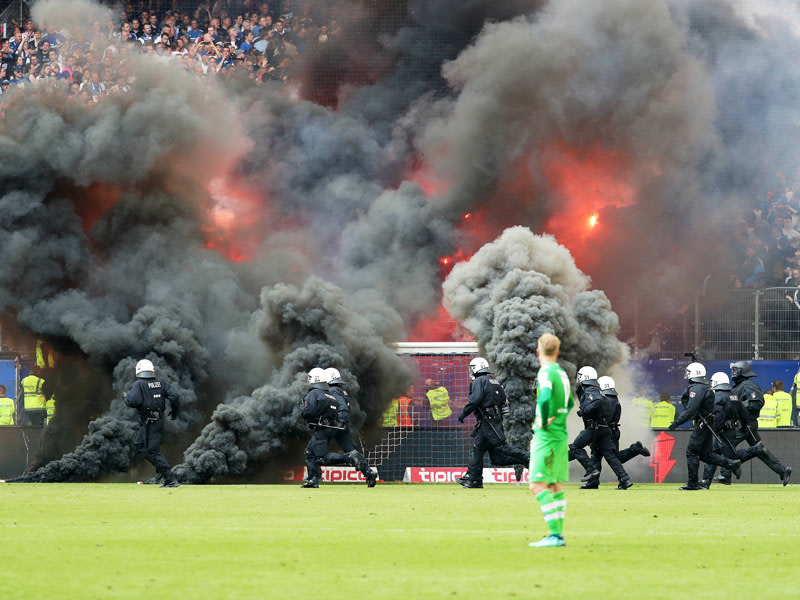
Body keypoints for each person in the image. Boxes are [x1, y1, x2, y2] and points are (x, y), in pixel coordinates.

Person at [528, 333, 573, 548]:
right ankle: (557, 534)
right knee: (554, 484)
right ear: (557, 352)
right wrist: (559, 417)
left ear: (539, 351)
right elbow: (571, 402)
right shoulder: (562, 373)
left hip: (546, 436)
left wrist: (544, 421)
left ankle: (555, 535)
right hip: (560, 434)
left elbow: (544, 397)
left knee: (537, 485)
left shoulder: (545, 372)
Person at [457, 356, 529, 489]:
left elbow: (475, 400)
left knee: (501, 447)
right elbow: (504, 402)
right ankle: (473, 478)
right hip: (493, 420)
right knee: (491, 456)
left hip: (487, 420)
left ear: (475, 368)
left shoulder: (479, 380)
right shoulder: (494, 381)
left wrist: (464, 413)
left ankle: (528, 458)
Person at [668, 362, 742, 490]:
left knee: (691, 452)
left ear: (694, 373)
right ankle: (731, 463)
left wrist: (677, 422)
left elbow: (690, 410)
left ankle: (692, 484)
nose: (687, 375)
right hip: (708, 424)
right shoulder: (705, 387)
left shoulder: (696, 389)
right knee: (705, 455)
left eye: (689, 372)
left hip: (703, 424)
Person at [722, 361, 792, 485]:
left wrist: (739, 406)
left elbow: (758, 401)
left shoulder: (748, 385)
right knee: (759, 450)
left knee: (726, 445)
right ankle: (782, 471)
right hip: (746, 424)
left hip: (745, 424)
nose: (732, 373)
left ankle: (725, 475)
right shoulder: (739, 386)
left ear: (742, 372)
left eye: (735, 370)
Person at [580, 376, 650, 488]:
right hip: (613, 430)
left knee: (606, 456)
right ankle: (635, 449)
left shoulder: (603, 400)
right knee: (607, 456)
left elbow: (602, 418)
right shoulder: (615, 399)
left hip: (604, 432)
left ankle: (623, 478)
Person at [701, 372, 768, 487]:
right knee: (728, 456)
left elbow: (719, 415)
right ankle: (709, 481)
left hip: (722, 431)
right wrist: (743, 424)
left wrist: (715, 429)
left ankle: (755, 450)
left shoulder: (717, 397)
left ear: (717, 382)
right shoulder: (733, 396)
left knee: (718, 455)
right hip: (732, 429)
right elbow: (744, 413)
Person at [124, 359, 181, 488]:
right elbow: (175, 395)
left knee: (153, 451)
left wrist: (125, 397)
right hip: (156, 421)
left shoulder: (139, 384)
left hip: (151, 422)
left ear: (139, 370)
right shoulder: (159, 382)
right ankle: (161, 470)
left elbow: (132, 401)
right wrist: (175, 410)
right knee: (139, 445)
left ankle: (170, 479)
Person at [318, 368, 378, 487]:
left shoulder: (333, 390)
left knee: (316, 452)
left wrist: (339, 422)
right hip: (342, 426)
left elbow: (342, 407)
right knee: (352, 451)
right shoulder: (341, 390)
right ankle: (369, 472)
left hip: (334, 426)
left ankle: (314, 476)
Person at [299, 367, 340, 489]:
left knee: (322, 458)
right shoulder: (329, 395)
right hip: (329, 428)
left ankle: (350, 457)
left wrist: (302, 407)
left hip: (321, 428)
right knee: (310, 452)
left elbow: (309, 412)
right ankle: (313, 479)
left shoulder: (314, 393)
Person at [567, 366, 601, 480]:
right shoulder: (589, 390)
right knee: (601, 455)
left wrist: (584, 411)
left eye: (580, 376)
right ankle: (593, 481)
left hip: (593, 428)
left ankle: (591, 470)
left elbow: (596, 403)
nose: (578, 378)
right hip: (595, 428)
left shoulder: (591, 391)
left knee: (575, 447)